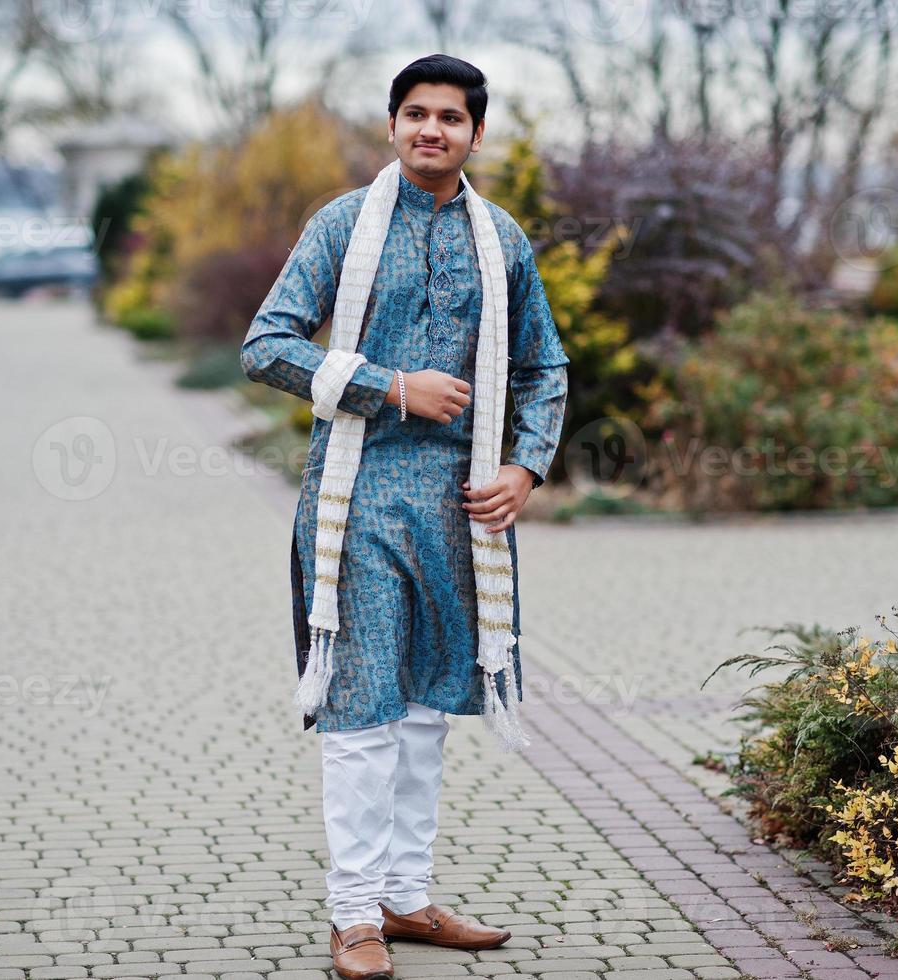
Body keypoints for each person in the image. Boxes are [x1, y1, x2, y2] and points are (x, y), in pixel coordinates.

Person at [240, 53, 570, 980]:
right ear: (391, 124)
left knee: (426, 710)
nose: (432, 130)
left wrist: (525, 467)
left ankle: (406, 896)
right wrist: (392, 387)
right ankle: (353, 918)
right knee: (360, 712)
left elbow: (544, 366)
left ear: (474, 132)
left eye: (451, 118)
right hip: (358, 503)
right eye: (415, 114)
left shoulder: (499, 238)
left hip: (461, 512)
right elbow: (264, 345)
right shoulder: (343, 225)